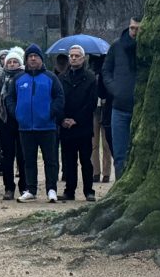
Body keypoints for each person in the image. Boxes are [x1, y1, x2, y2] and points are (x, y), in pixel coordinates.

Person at [6, 43, 64, 202]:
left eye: (36, 56)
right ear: (26, 60)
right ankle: (30, 189)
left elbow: (59, 98)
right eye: (30, 56)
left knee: (50, 160)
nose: (32, 58)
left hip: (47, 126)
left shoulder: (51, 77)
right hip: (25, 127)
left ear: (41, 59)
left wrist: (50, 113)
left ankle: (51, 189)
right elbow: (10, 99)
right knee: (28, 160)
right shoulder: (18, 79)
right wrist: (17, 113)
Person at [58, 45, 99, 202]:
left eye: (77, 56)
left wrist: (77, 120)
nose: (74, 58)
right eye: (71, 56)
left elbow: (91, 102)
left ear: (83, 58)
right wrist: (63, 119)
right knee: (69, 161)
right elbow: (58, 100)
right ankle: (69, 190)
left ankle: (89, 190)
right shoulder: (62, 78)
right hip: (66, 126)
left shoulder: (90, 78)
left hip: (83, 126)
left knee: (85, 160)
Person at [103, 17, 140, 178]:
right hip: (119, 107)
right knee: (119, 154)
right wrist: (114, 89)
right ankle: (120, 183)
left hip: (141, 107)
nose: (134, 32)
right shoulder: (117, 46)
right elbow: (106, 70)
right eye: (132, 28)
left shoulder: (148, 47)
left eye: (138, 29)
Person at [0, 46, 26, 200]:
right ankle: (8, 187)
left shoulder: (25, 79)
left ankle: (25, 186)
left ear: (20, 63)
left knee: (23, 156)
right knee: (7, 157)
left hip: (22, 122)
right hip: (5, 122)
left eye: (14, 61)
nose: (11, 64)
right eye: (9, 62)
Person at [89, 54, 112, 183]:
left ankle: (106, 173)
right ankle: (96, 172)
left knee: (106, 144)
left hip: (105, 110)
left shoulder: (107, 75)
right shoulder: (91, 76)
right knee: (94, 143)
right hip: (95, 111)